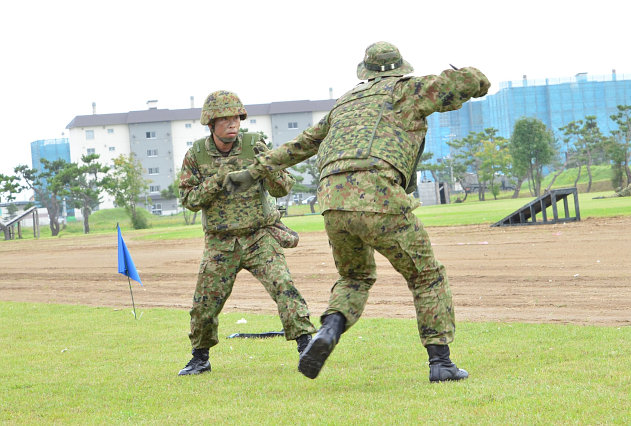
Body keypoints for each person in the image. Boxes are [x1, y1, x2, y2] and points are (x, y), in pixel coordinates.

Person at [224, 42, 490, 382]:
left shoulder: (345, 104)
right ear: (398, 68)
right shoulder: (408, 90)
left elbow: (301, 145)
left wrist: (251, 172)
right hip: (379, 194)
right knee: (426, 276)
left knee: (355, 277)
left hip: (333, 200)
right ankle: (441, 362)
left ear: (365, 71)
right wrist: (462, 74)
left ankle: (329, 330)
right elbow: (474, 81)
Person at [177, 90, 316, 376]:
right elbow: (189, 200)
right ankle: (199, 357)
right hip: (220, 241)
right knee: (204, 303)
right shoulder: (196, 155)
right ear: (211, 123)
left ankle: (307, 346)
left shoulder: (255, 145)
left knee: (284, 287)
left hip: (259, 236)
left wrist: (269, 168)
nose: (233, 123)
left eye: (236, 117)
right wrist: (217, 181)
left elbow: (282, 188)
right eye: (225, 119)